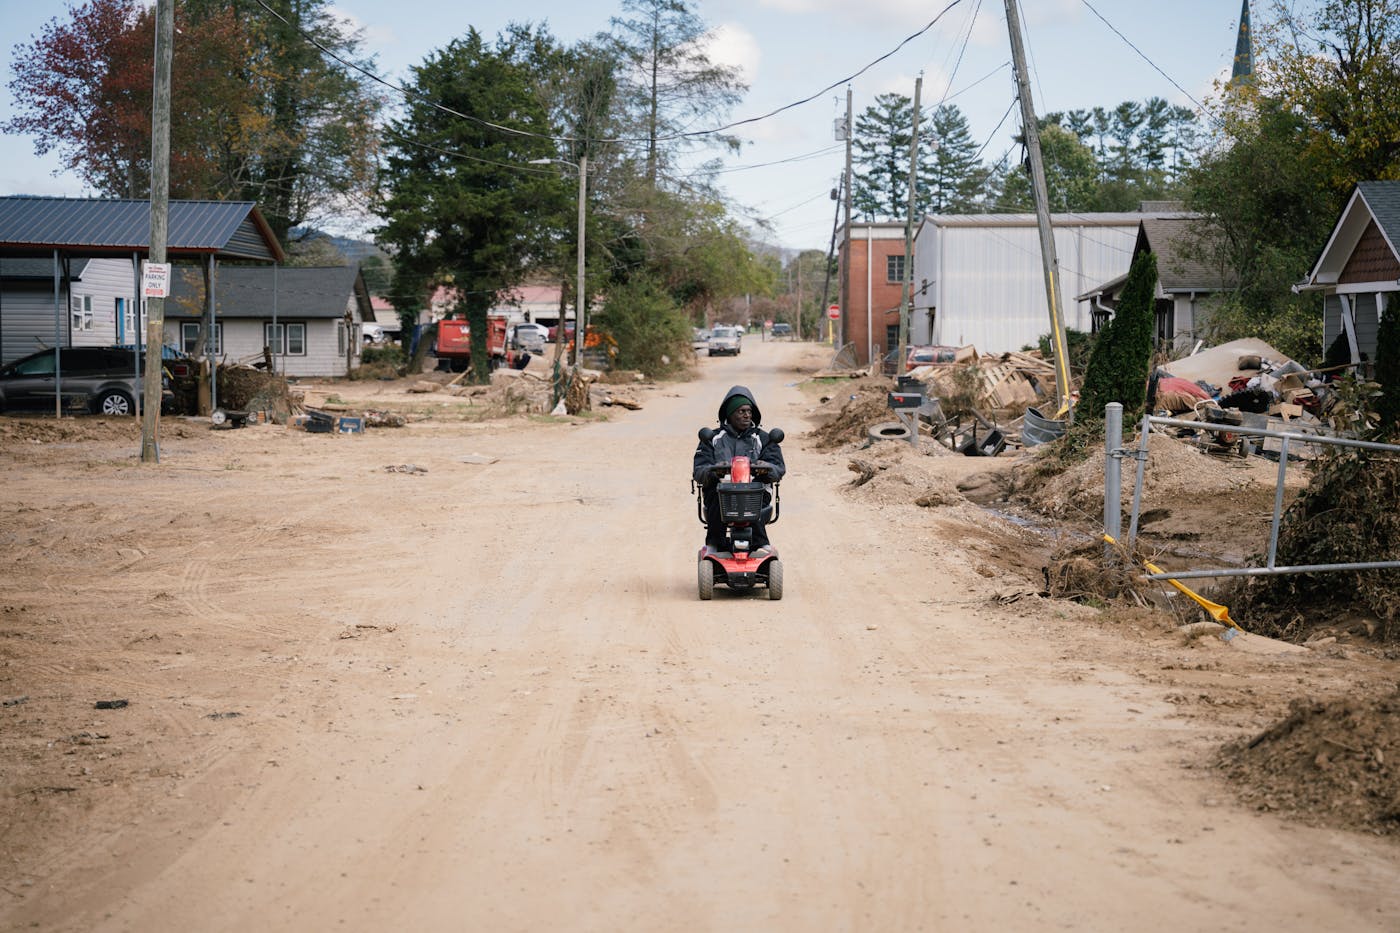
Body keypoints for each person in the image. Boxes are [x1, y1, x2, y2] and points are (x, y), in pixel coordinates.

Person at [693, 385, 786, 552]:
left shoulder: (763, 438)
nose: (747, 415)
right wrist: (714, 470)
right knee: (715, 494)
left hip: (755, 491)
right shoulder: (712, 438)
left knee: (753, 495)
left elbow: (778, 467)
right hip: (723, 492)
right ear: (730, 413)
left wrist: (766, 468)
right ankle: (715, 545)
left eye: (749, 411)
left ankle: (761, 544)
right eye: (741, 411)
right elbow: (699, 470)